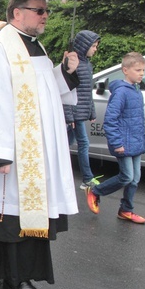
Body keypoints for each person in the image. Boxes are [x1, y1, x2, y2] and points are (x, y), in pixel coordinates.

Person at [0, 0, 80, 289]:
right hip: (13, 151)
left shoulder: (35, 46)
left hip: (38, 150)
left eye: (46, 10)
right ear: (17, 13)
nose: (45, 16)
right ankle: (16, 276)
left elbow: (45, 90)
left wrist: (66, 72)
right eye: (39, 10)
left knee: (22, 214)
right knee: (13, 217)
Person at [85, 52, 145, 224]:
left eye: (143, 70)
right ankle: (96, 191)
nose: (141, 73)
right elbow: (111, 120)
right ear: (125, 70)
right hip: (123, 143)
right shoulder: (121, 92)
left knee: (135, 179)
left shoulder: (136, 90)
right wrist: (116, 143)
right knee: (127, 176)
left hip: (135, 142)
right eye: (137, 70)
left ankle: (126, 210)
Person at [63, 30, 102, 190]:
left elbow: (87, 91)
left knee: (66, 143)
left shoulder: (86, 64)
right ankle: (87, 178)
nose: (95, 49)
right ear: (84, 45)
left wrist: (92, 111)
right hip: (75, 113)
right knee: (83, 143)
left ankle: (53, 168)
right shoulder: (73, 63)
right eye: (93, 46)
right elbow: (66, 90)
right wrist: (70, 116)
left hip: (80, 113)